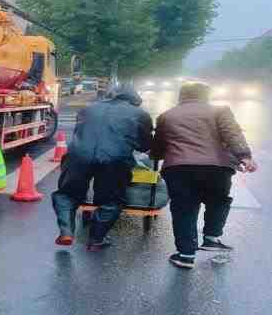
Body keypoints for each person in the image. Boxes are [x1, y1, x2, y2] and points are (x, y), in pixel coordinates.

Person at [152, 81, 257, 269]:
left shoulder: (166, 116)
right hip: (216, 168)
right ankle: (211, 237)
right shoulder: (220, 111)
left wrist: (155, 155)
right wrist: (245, 156)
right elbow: (232, 134)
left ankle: (185, 255)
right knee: (219, 200)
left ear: (181, 96)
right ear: (206, 96)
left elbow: (159, 146)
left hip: (178, 168)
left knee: (184, 208)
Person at [52, 83, 153, 251]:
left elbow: (81, 131)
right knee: (111, 200)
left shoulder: (89, 108)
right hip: (114, 159)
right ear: (135, 100)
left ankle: (66, 231)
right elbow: (144, 145)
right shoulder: (140, 114)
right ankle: (96, 239)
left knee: (66, 194)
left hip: (78, 156)